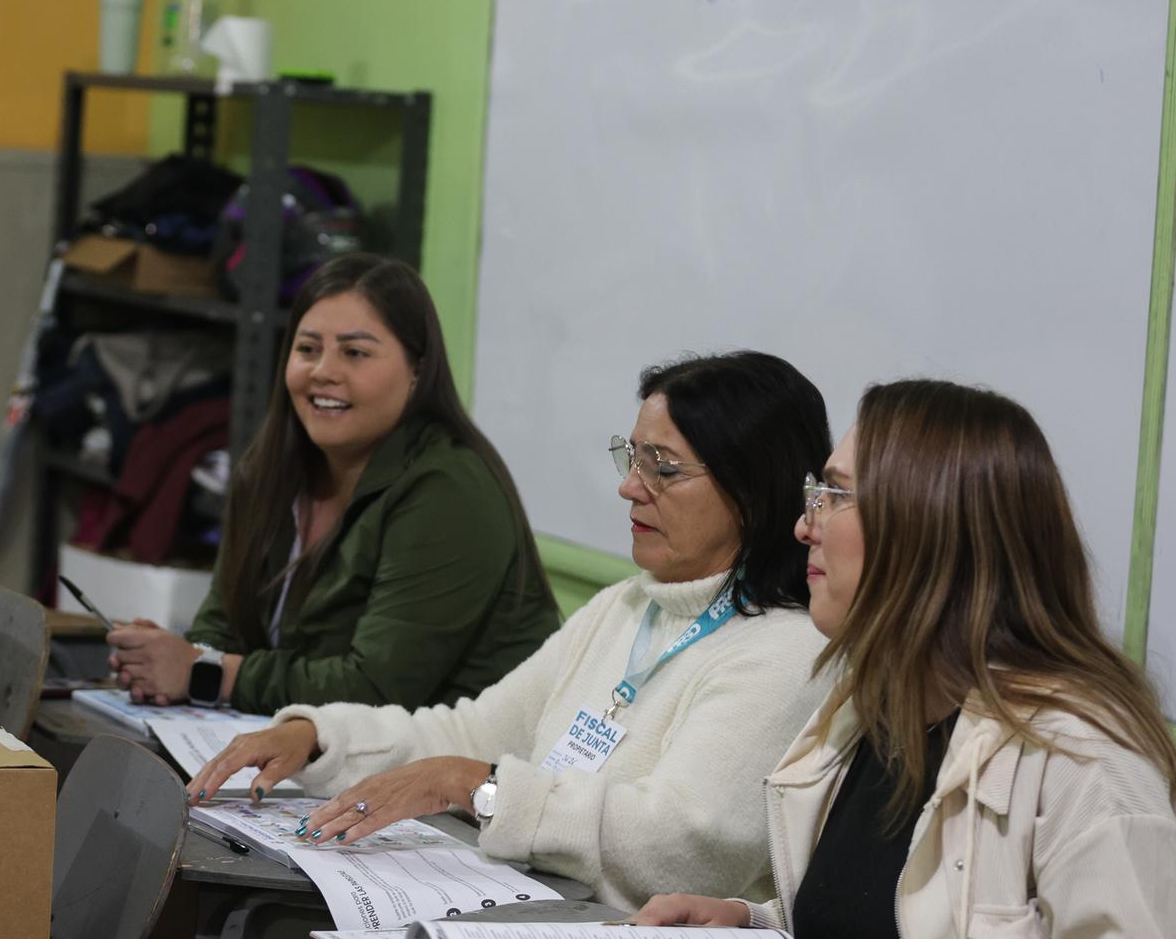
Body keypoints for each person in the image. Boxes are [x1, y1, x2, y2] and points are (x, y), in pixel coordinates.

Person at [189, 351, 836, 910]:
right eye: (631, 458)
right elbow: (474, 731)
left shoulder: (789, 649)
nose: (630, 490)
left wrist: (481, 787)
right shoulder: (631, 605)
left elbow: (683, 845)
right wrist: (318, 736)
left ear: (754, 488)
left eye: (663, 467)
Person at [637, 380, 1176, 936]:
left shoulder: (1088, 761)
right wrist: (753, 921)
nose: (803, 525)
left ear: (926, 526)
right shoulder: (875, 708)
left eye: (835, 496)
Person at [107, 254, 560, 714]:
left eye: (355, 352)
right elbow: (221, 628)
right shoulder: (269, 469)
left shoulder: (448, 489)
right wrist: (174, 662)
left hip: (449, 768)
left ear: (418, 371)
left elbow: (376, 690)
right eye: (307, 349)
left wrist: (206, 672)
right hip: (307, 747)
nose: (323, 371)